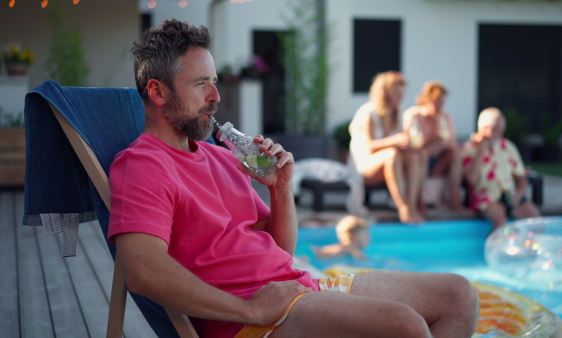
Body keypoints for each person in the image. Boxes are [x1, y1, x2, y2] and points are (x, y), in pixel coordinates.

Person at [108, 19, 479, 338]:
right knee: (405, 326)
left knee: (458, 295)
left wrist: (281, 189)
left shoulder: (220, 157)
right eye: (201, 84)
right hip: (254, 321)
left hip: (300, 286)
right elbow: (142, 270)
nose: (216, 96)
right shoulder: (143, 164)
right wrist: (248, 310)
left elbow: (280, 250)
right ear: (157, 91)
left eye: (215, 81)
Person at [348, 71, 429, 223]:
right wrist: (395, 140)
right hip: (364, 167)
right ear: (384, 93)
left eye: (402, 94)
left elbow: (400, 144)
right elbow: (369, 146)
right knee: (391, 154)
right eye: (397, 94)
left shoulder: (396, 114)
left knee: (417, 155)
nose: (401, 98)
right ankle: (402, 207)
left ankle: (413, 205)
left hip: (388, 164)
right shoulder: (368, 113)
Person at [461, 107, 541, 230]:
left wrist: (519, 194)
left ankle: (528, 248)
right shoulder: (469, 149)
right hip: (486, 198)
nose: (499, 135)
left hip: (509, 194)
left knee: (537, 223)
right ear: (484, 128)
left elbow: (521, 177)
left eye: (501, 130)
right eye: (496, 130)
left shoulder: (507, 146)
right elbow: (471, 180)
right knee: (501, 226)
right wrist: (481, 151)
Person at [402, 81, 467, 213]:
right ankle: (419, 202)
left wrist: (439, 142)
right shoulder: (414, 115)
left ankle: (455, 199)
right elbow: (412, 146)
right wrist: (434, 141)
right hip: (420, 161)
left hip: (438, 161)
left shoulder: (445, 117)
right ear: (426, 100)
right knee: (421, 155)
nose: (440, 105)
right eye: (437, 101)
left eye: (442, 101)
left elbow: (451, 144)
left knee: (456, 153)